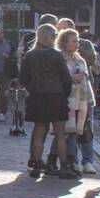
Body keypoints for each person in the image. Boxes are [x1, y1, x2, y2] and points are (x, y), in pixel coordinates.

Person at [21, 23, 76, 179]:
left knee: (39, 131)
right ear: (53, 37)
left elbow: (23, 79)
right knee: (60, 133)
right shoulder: (57, 55)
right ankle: (64, 167)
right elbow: (66, 79)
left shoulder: (30, 56)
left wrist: (34, 87)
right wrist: (64, 93)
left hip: (37, 96)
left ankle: (36, 166)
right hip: (56, 95)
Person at [55, 28, 97, 175]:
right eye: (74, 41)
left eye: (78, 40)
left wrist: (90, 99)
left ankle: (88, 161)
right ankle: (74, 161)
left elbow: (88, 77)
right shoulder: (59, 59)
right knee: (71, 131)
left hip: (83, 99)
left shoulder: (80, 59)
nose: (77, 44)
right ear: (64, 43)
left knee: (85, 130)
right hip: (68, 99)